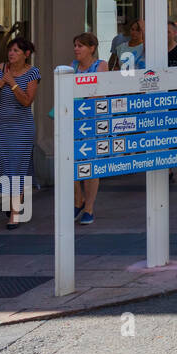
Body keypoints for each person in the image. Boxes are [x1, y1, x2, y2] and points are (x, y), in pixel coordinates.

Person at [0, 37, 40, 228]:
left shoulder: (32, 72)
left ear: (26, 54)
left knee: (16, 169)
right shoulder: (0, 68)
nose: (11, 54)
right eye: (10, 50)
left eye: (16, 51)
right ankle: (14, 199)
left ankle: (14, 214)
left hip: (21, 128)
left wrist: (12, 83)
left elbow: (27, 101)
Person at [71, 33, 105, 222]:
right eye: (75, 45)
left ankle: (89, 208)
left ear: (91, 48)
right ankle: (79, 200)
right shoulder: (71, 67)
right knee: (73, 163)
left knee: (91, 165)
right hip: (75, 121)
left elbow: (98, 92)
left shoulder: (100, 65)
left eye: (81, 46)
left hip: (93, 121)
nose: (76, 49)